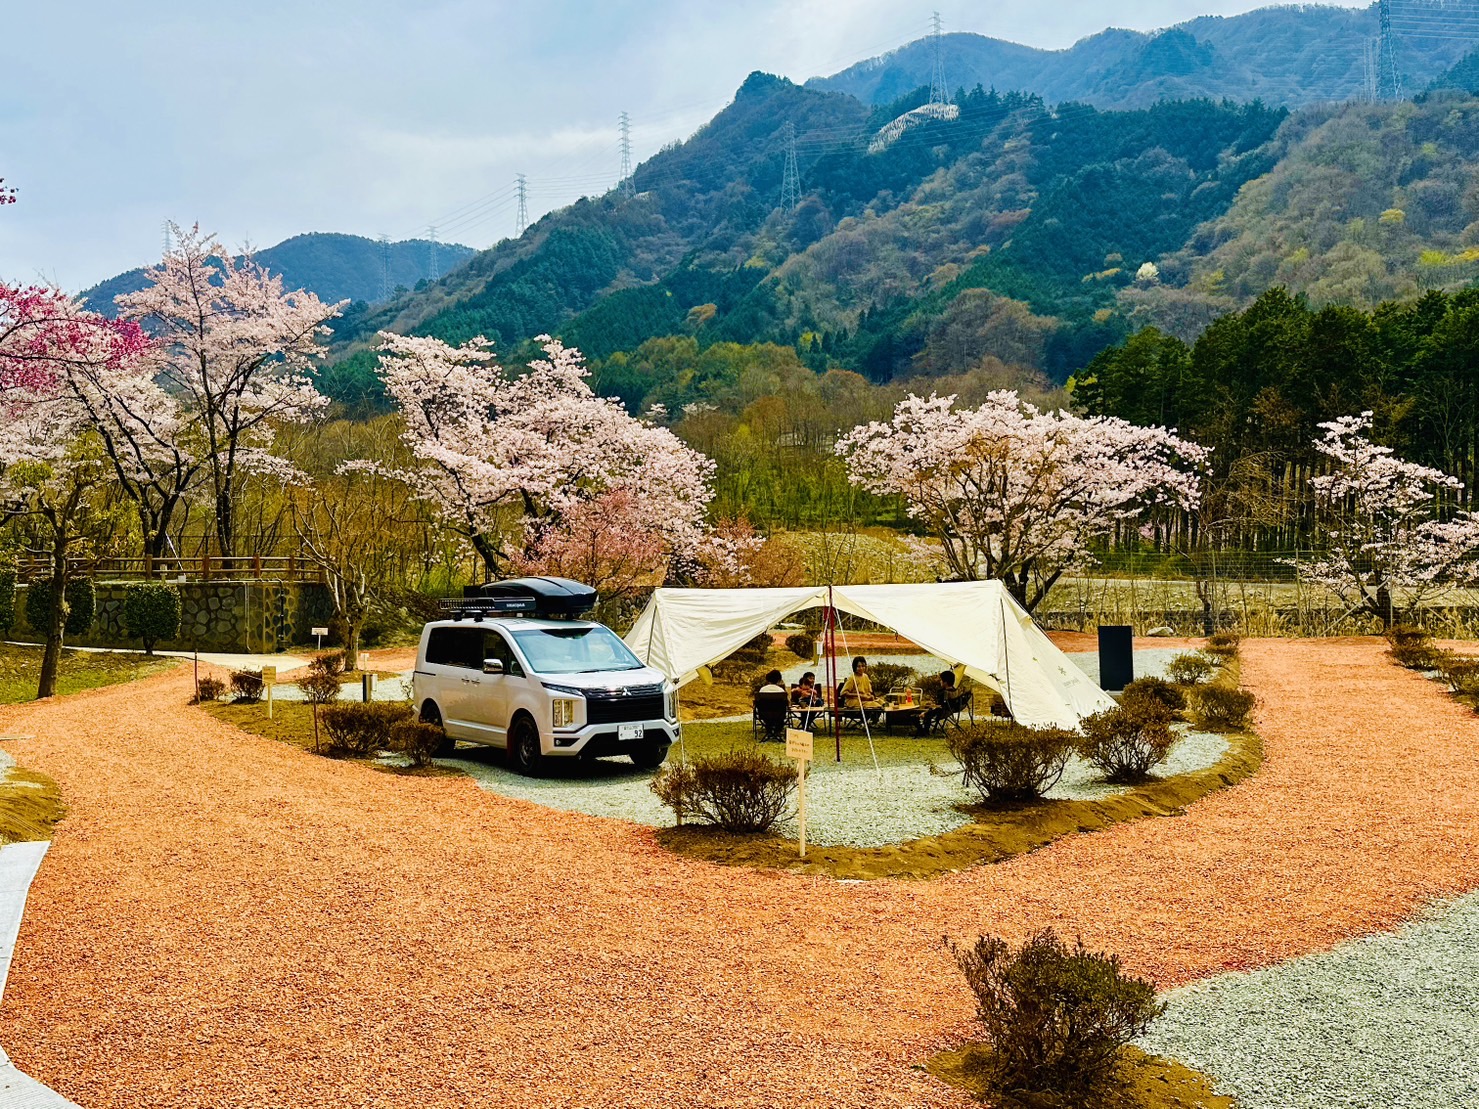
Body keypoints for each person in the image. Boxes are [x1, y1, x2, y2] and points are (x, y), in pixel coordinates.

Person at [917, 669, 970, 735]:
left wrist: (926, 713)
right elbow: (942, 705)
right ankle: (924, 731)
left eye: (941, 680)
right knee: (928, 709)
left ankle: (923, 732)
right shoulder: (954, 691)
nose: (940, 682)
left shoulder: (944, 693)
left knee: (915, 715)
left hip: (941, 712)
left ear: (945, 682)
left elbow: (939, 708)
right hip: (949, 710)